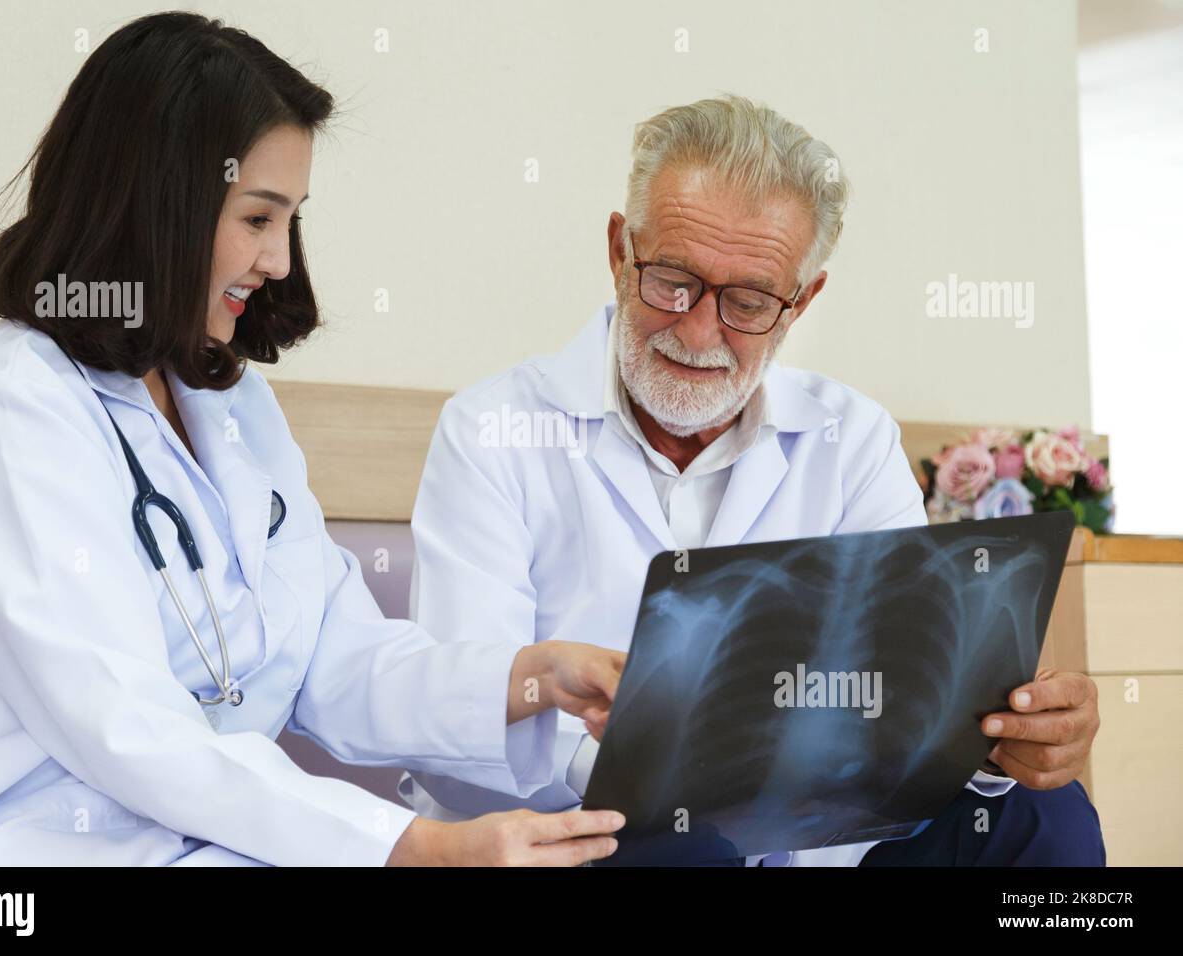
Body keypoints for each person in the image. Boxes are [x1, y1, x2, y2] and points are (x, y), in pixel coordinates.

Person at [0, 12, 627, 867]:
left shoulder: (228, 400)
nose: (278, 259)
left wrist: (533, 677)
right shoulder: (10, 415)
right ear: (157, 203)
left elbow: (335, 662)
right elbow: (127, 731)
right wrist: (415, 847)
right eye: (257, 218)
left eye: (290, 221)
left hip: (199, 843)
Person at [401, 95, 1105, 866]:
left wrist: (1001, 744)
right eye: (672, 279)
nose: (699, 331)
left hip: (819, 839)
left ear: (802, 302)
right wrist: (652, 782)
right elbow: (453, 724)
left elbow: (903, 700)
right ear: (619, 249)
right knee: (683, 845)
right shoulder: (493, 431)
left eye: (747, 302)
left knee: (1046, 819)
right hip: (577, 839)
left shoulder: (853, 439)